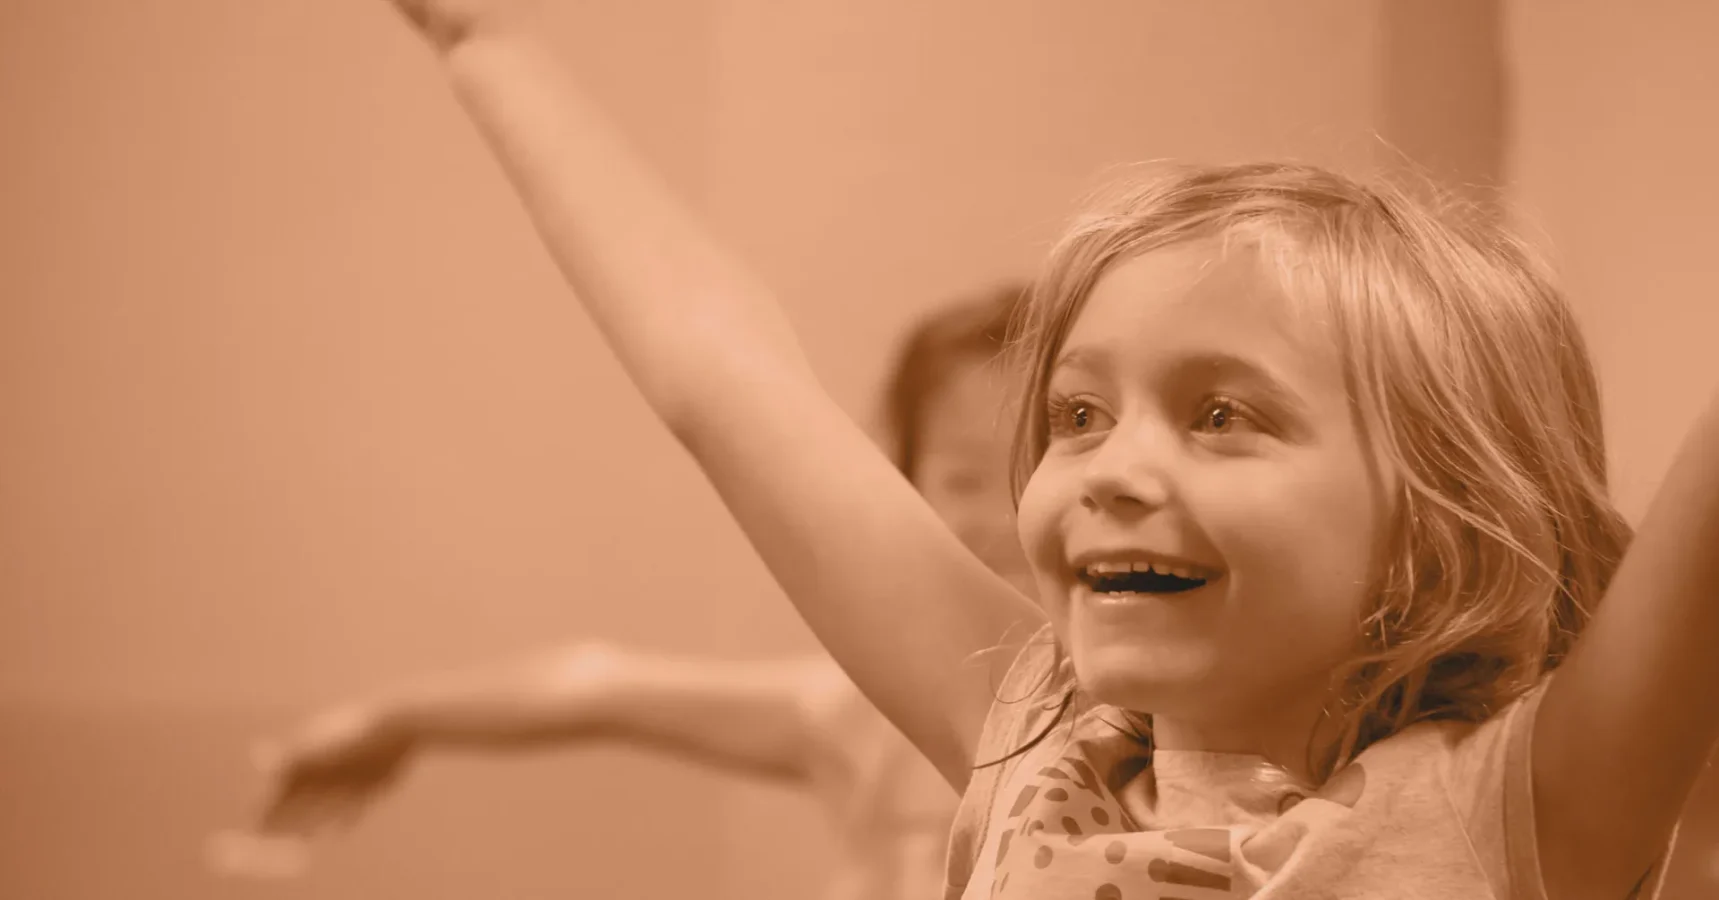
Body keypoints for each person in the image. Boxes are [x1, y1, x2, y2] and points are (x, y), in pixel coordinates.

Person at [324, 1, 1717, 896]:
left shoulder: (1517, 815)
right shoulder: (1028, 758)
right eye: (1076, 416)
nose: (1107, 467)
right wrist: (484, 41)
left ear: (1433, 523)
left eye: (1221, 415)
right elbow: (722, 384)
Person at [224, 284, 1032, 900]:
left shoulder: (1134, 727)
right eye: (961, 478)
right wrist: (396, 717)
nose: (1000, 517)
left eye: (1025, 473)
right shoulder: (858, 716)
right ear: (899, 483)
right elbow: (595, 682)